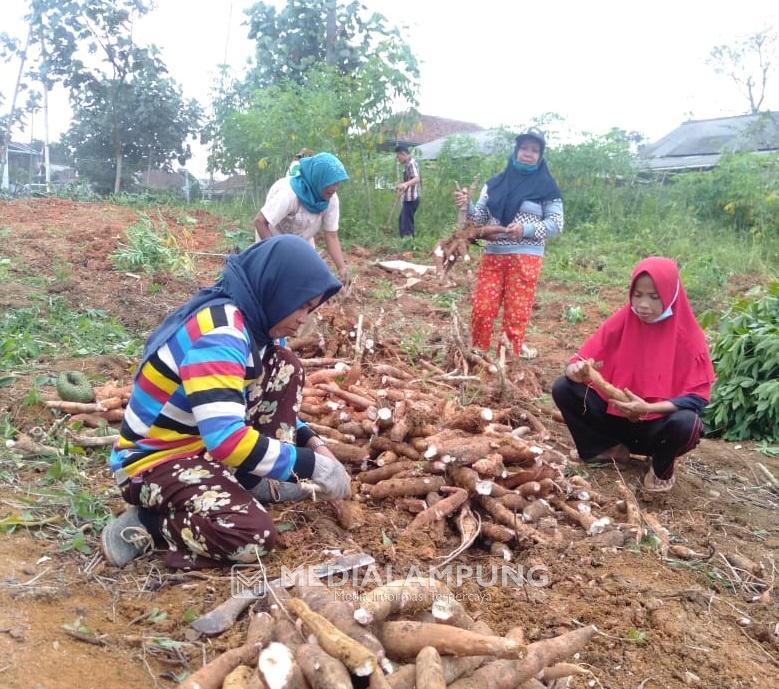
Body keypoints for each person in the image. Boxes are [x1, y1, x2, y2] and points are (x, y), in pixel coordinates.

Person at [101, 236, 352, 569]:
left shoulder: (260, 327)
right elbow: (227, 440)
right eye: (303, 305)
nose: (305, 318)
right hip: (151, 463)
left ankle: (249, 481)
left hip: (199, 443)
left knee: (285, 366)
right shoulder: (221, 334)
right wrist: (315, 467)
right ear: (278, 289)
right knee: (252, 537)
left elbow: (255, 405)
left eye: (312, 308)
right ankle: (149, 524)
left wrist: (316, 446)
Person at [552, 257, 716, 492]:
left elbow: (697, 399)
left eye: (654, 297)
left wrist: (648, 409)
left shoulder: (689, 337)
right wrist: (575, 371)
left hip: (655, 429)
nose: (643, 304)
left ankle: (661, 467)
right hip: (615, 418)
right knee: (563, 387)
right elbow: (581, 359)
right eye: (637, 295)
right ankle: (607, 449)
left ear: (670, 294)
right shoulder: (624, 319)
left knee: (687, 423)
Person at [453, 128, 563, 356]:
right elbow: (480, 218)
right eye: (524, 148)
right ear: (516, 151)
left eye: (535, 150)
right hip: (493, 255)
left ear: (540, 156)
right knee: (482, 308)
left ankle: (507, 361)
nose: (528, 153)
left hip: (526, 259)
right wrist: (467, 205)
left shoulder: (547, 187)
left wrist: (526, 229)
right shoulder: (494, 184)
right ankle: (479, 355)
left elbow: (555, 224)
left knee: (516, 314)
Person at [254, 152, 350, 284]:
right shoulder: (289, 194)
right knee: (274, 278)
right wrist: (276, 253)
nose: (334, 188)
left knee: (306, 278)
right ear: (318, 178)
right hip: (272, 234)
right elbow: (260, 221)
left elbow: (331, 236)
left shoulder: (331, 199)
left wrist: (342, 268)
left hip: (303, 238)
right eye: (330, 183)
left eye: (337, 183)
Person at [395, 145, 421, 238]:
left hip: (412, 200)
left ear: (403, 154)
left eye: (398, 157)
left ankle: (408, 246)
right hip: (408, 199)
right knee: (402, 220)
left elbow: (417, 178)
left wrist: (405, 184)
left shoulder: (411, 163)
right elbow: (410, 181)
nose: (398, 159)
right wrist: (401, 188)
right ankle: (406, 243)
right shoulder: (407, 165)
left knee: (406, 224)